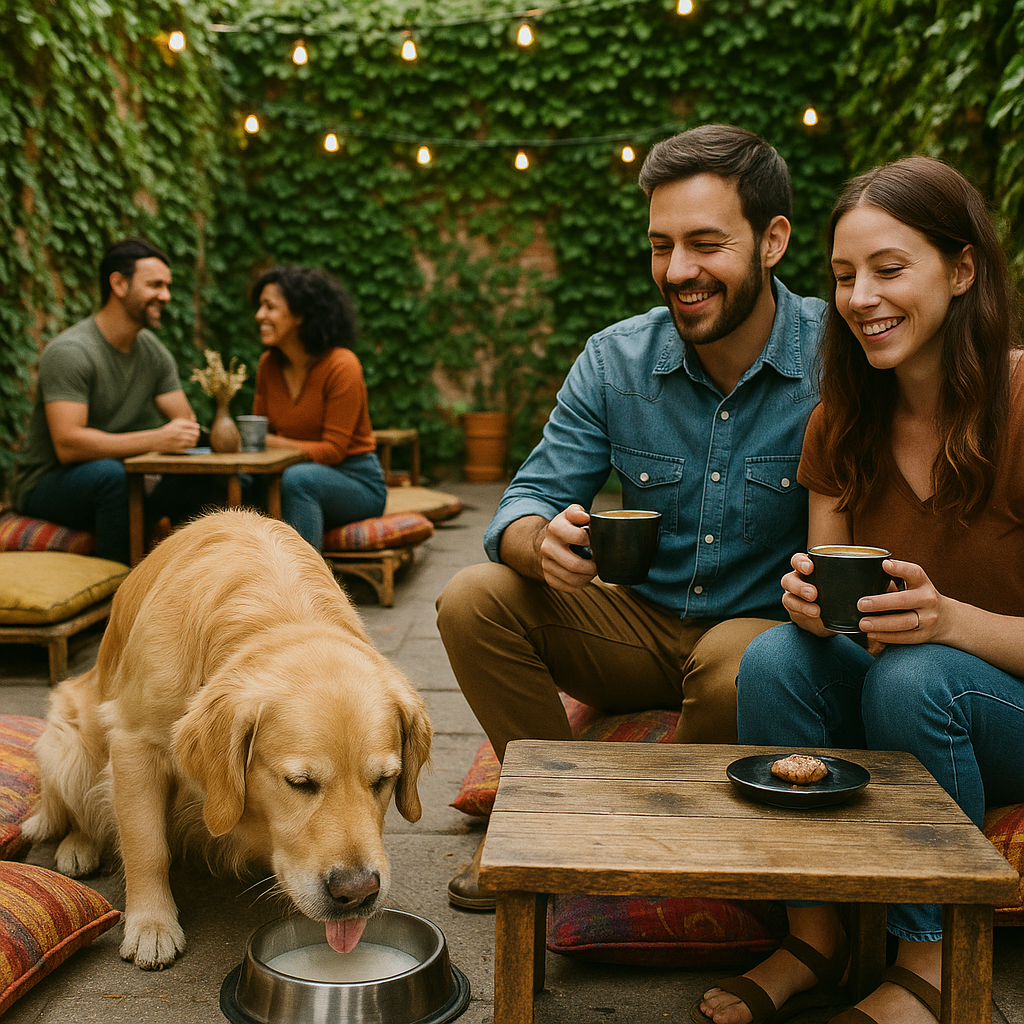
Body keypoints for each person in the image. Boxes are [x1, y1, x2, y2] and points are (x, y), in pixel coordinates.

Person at [436, 124, 827, 910]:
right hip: (635, 625)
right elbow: (526, 499)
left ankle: (639, 826)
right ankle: (544, 820)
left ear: (773, 239)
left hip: (758, 637)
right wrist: (535, 543)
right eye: (661, 246)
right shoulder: (614, 360)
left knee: (736, 664)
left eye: (706, 244)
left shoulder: (835, 353)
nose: (679, 272)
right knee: (470, 601)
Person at [706, 157, 1024, 1024]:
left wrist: (950, 621)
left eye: (889, 269)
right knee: (773, 657)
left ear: (962, 271)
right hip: (900, 690)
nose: (860, 297)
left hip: (1002, 704)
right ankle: (816, 937)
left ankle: (930, 962)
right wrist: (809, 605)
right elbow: (830, 596)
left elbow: (929, 649)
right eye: (845, 276)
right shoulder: (842, 417)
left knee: (916, 675)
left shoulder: (1022, 401)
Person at [12, 238, 205, 565]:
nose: (166, 296)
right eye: (155, 285)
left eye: (167, 286)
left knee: (198, 476)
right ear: (118, 283)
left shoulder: (152, 352)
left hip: (120, 474)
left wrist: (182, 439)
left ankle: (190, 587)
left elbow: (185, 425)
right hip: (50, 481)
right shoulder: (71, 352)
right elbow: (68, 444)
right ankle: (118, 592)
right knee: (111, 477)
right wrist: (157, 439)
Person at [250, 265, 387, 548]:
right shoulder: (268, 366)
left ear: (300, 315)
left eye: (269, 307)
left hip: (355, 480)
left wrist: (270, 442)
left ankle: (304, 585)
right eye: (259, 306)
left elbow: (333, 450)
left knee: (299, 480)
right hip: (286, 473)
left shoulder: (341, 365)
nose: (259, 315)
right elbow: (255, 439)